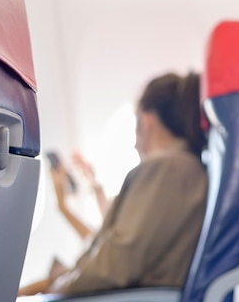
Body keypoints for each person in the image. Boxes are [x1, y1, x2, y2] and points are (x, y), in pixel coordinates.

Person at [18, 71, 209, 296]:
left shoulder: (166, 169)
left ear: (146, 121)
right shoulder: (184, 167)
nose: (135, 145)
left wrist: (56, 289)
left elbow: (116, 261)